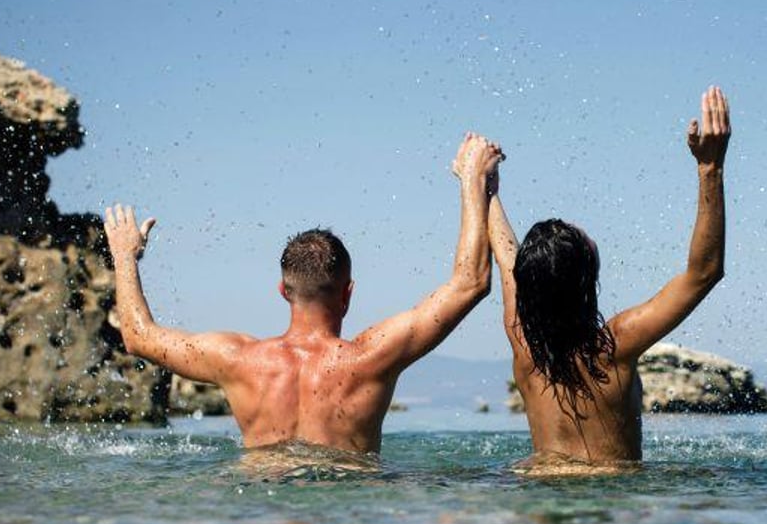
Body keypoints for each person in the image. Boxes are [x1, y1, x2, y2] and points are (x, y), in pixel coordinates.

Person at [103, 133, 504, 452]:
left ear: (283, 291)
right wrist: (473, 182)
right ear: (348, 293)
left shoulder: (238, 361)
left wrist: (124, 254)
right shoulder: (371, 359)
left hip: (264, 518)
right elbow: (470, 283)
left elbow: (139, 337)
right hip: (347, 515)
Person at [487, 87, 730, 469]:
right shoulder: (613, 346)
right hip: (609, 504)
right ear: (587, 277)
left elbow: (506, 259)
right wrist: (710, 169)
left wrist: (488, 192)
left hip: (538, 491)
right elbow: (704, 273)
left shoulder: (525, 345)